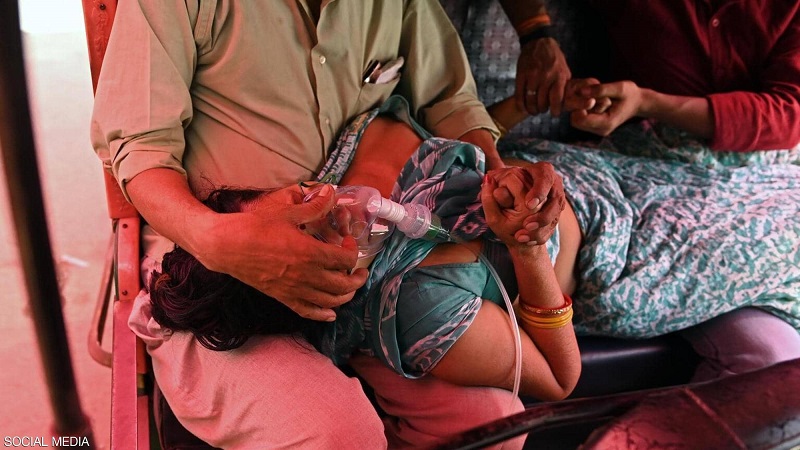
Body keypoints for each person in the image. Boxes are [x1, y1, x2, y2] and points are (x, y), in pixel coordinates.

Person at [90, 2, 566, 448]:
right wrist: (217, 240)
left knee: (492, 426)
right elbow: (140, 147)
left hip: (365, 273)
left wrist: (501, 182)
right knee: (338, 434)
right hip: (220, 280)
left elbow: (449, 101)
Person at [148, 97, 582, 403]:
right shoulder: (420, 308)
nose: (331, 204)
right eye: (317, 236)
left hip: (574, 159)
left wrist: (509, 170)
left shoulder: (354, 146)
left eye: (301, 196)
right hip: (610, 252)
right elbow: (559, 379)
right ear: (303, 293)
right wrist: (528, 249)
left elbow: (452, 111)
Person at [493, 0, 800, 381]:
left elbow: (787, 114)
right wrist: (536, 34)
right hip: (631, 155)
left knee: (776, 368)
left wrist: (646, 101)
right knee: (537, 208)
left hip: (760, 170)